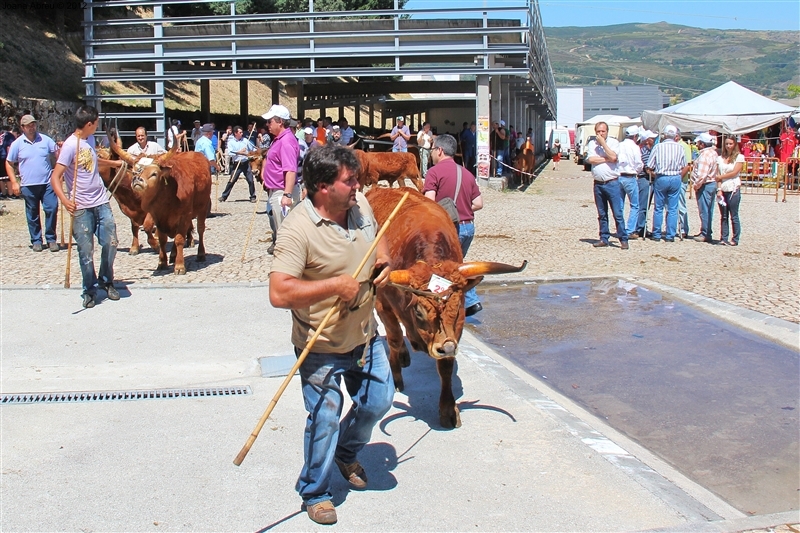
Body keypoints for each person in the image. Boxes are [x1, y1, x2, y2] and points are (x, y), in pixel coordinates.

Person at [268, 143, 394, 526]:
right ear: (324, 186)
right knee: (324, 416)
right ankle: (315, 491)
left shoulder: (360, 206)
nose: (358, 186)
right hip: (319, 342)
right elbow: (279, 292)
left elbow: (379, 238)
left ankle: (346, 450)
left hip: (366, 334)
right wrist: (334, 286)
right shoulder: (298, 229)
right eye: (349, 180)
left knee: (378, 401)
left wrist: (384, 261)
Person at [50, 106, 118, 309]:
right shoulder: (70, 146)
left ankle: (106, 280)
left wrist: (113, 164)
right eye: (96, 123)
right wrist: (65, 200)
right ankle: (89, 288)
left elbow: (92, 162)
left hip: (101, 201)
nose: (97, 126)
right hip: (81, 207)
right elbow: (55, 177)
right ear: (89, 124)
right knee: (86, 251)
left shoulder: (88, 141)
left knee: (111, 241)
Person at [422, 133, 484, 316]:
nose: (432, 153)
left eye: (433, 149)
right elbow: (479, 203)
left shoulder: (434, 172)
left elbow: (430, 203)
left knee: (439, 267)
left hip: (450, 228)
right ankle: (471, 302)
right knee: (457, 265)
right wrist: (462, 209)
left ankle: (438, 304)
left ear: (439, 151)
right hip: (468, 227)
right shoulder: (466, 172)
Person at [5, 115, 60, 252]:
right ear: (22, 127)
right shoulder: (17, 144)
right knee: (32, 213)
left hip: (47, 183)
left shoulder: (46, 140)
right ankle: (36, 240)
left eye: (33, 124)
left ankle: (51, 238)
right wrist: (14, 182)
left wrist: (59, 173)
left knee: (52, 208)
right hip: (28, 185)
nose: (32, 127)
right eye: (28, 125)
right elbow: (9, 163)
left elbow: (58, 154)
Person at [262, 104, 301, 255]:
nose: (267, 125)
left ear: (280, 122)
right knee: (282, 231)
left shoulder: (286, 142)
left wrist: (287, 194)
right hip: (277, 190)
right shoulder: (279, 139)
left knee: (285, 234)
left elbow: (290, 170)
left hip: (282, 192)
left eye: (270, 121)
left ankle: (287, 267)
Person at [586, 121, 628, 250]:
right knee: (602, 213)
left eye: (602, 131)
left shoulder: (613, 143)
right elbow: (590, 159)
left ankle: (623, 238)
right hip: (598, 184)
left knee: (617, 212)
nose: (600, 134)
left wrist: (604, 144)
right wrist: (606, 158)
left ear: (607, 132)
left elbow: (614, 157)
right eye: (598, 131)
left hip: (612, 183)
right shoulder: (592, 144)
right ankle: (604, 237)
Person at [646, 125, 689, 242]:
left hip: (662, 177)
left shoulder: (658, 147)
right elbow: (684, 164)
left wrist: (653, 171)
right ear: (675, 135)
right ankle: (670, 234)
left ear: (664, 135)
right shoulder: (680, 147)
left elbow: (650, 164)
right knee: (673, 208)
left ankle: (657, 234)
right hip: (675, 177)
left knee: (658, 207)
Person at [690, 132, 718, 243]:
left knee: (704, 210)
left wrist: (696, 185)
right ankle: (707, 230)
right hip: (712, 183)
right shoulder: (714, 153)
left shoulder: (704, 155)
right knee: (709, 209)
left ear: (702, 144)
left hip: (705, 184)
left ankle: (705, 233)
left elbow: (702, 174)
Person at [616, 125, 643, 239]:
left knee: (620, 205)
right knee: (635, 205)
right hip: (630, 176)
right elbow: (638, 163)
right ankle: (629, 229)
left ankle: (620, 228)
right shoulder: (634, 147)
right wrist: (637, 170)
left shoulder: (619, 145)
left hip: (618, 176)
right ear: (635, 136)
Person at [716, 137, 744, 246]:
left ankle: (735, 238)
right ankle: (724, 237)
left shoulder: (739, 157)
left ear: (734, 144)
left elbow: (735, 172)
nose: (728, 146)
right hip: (723, 188)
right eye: (727, 144)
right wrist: (718, 189)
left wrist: (720, 177)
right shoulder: (720, 158)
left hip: (733, 187)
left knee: (734, 215)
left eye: (730, 144)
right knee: (723, 215)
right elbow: (718, 174)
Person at [219, 126, 256, 203]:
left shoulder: (245, 140)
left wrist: (251, 153)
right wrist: (240, 152)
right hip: (237, 164)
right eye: (240, 132)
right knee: (231, 180)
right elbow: (230, 152)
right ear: (235, 133)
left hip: (246, 163)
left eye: (242, 132)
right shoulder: (231, 142)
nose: (242, 133)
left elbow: (253, 149)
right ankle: (224, 196)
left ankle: (253, 196)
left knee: (251, 180)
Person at [632, 128, 656, 239]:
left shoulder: (651, 150)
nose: (654, 140)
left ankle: (642, 227)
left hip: (649, 179)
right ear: (647, 140)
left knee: (646, 205)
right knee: (643, 205)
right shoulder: (644, 151)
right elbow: (648, 169)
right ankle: (639, 228)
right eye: (652, 138)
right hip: (645, 179)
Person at [0, 126, 19, 199]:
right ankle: (11, 194)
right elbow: (10, 147)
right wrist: (12, 160)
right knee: (8, 175)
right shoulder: (9, 136)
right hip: (5, 156)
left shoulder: (4, 135)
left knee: (1, 176)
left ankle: (4, 193)